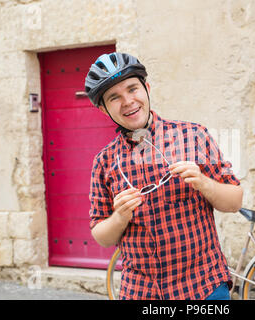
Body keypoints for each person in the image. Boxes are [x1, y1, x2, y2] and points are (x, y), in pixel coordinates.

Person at [85, 52, 243, 300]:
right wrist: (120, 217)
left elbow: (234, 202)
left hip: (204, 288)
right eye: (114, 97)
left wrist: (202, 182)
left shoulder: (194, 136)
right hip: (140, 292)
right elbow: (101, 236)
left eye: (132, 89)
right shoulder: (104, 162)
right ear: (104, 110)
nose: (127, 101)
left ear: (146, 88)